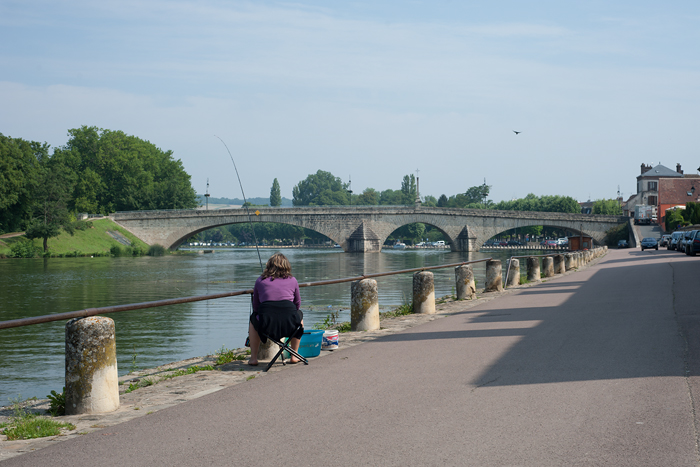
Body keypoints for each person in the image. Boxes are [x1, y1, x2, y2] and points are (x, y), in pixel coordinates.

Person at [248, 253, 304, 366]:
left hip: (267, 324)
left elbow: (256, 306)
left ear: (269, 265)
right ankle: (294, 355)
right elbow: (297, 304)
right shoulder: (293, 280)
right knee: (299, 318)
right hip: (289, 323)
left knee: (253, 320)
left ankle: (253, 358)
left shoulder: (260, 281)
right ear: (286, 265)